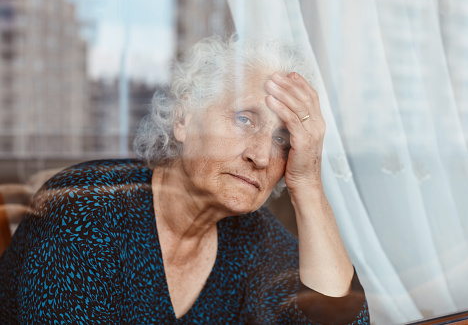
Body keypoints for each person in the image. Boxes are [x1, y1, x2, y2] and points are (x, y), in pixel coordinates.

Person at [0, 36, 369, 324]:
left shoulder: (256, 239)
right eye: (244, 119)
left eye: (282, 140)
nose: (261, 155)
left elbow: (338, 320)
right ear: (183, 119)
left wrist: (307, 183)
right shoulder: (83, 212)